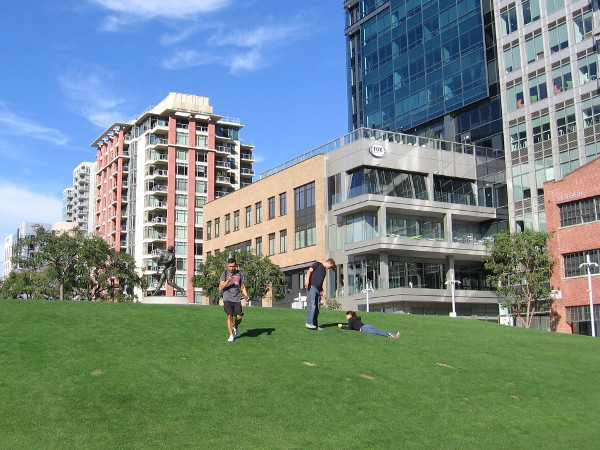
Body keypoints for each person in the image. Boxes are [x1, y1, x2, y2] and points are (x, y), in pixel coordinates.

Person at [219, 257, 249, 342]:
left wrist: (246, 295)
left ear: (236, 265)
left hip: (236, 298)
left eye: (233, 266)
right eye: (230, 266)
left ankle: (235, 327)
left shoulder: (239, 274)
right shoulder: (224, 274)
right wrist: (228, 280)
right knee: (229, 315)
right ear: (228, 266)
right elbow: (221, 287)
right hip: (227, 298)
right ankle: (231, 335)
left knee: (239, 317)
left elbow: (242, 287)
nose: (231, 268)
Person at [304, 258, 336, 330]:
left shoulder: (324, 271)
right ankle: (309, 322)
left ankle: (315, 324)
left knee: (317, 307)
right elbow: (309, 271)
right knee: (312, 304)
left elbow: (320, 281)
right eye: (330, 266)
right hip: (312, 286)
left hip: (318, 289)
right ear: (329, 263)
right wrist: (307, 280)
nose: (329, 268)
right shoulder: (317, 264)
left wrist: (321, 290)